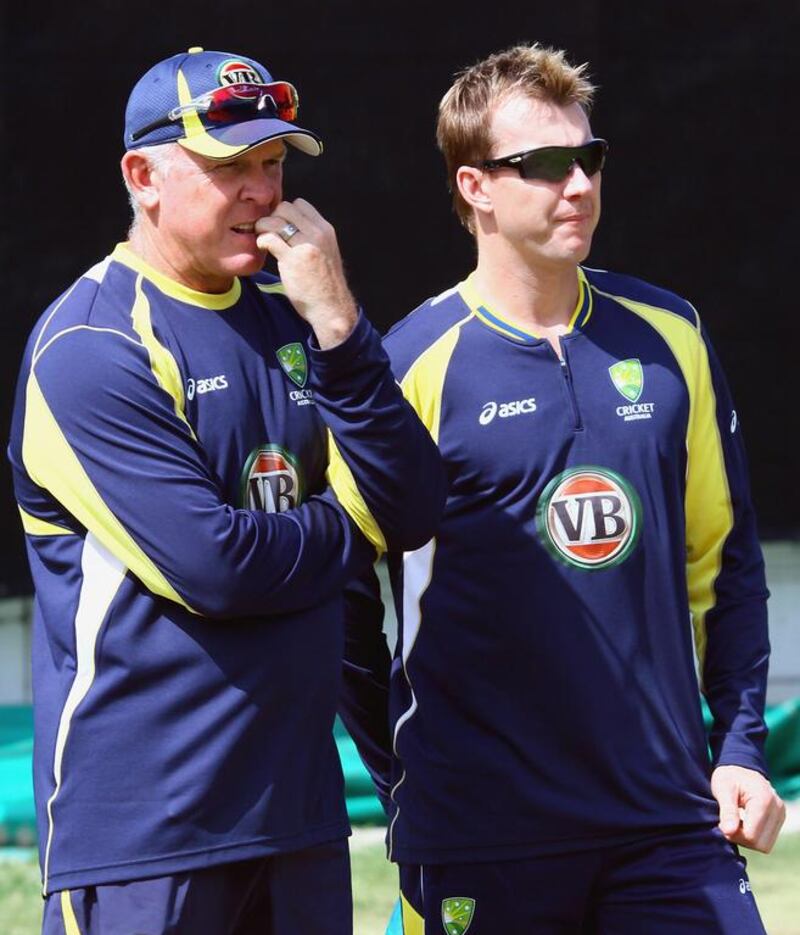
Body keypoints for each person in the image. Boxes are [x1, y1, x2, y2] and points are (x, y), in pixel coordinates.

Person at [339, 43, 786, 933]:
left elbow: (725, 565)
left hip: (666, 821)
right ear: (475, 188)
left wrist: (739, 750)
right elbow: (347, 599)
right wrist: (410, 782)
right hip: (481, 833)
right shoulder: (410, 366)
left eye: (590, 158)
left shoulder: (671, 335)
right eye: (543, 165)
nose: (577, 184)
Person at [7, 46, 446, 935]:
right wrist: (352, 517)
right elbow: (219, 567)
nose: (260, 190)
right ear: (144, 176)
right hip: (143, 839)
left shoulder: (297, 314)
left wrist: (340, 324)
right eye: (225, 165)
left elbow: (415, 505)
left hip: (300, 821)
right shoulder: (92, 345)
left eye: (272, 163)